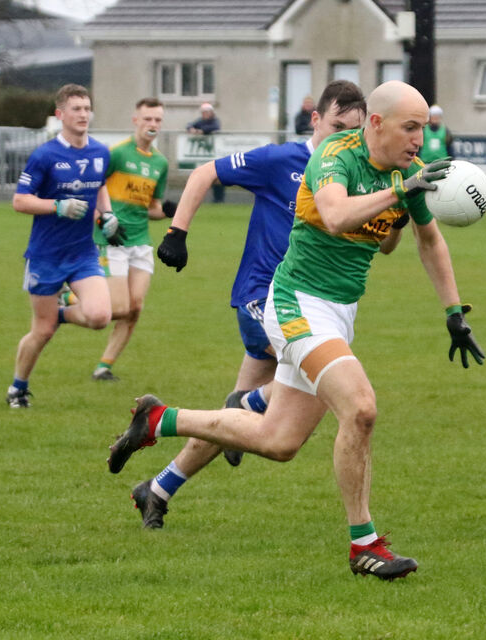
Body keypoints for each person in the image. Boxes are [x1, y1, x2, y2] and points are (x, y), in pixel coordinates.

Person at [108, 81, 485, 581]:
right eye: (410, 127)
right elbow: (333, 214)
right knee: (362, 408)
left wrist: (453, 311)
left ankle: (159, 420)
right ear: (376, 123)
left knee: (279, 440)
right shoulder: (335, 154)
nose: (420, 138)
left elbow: (429, 241)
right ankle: (364, 546)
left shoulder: (409, 173)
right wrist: (400, 190)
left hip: (338, 312)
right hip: (295, 303)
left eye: (423, 127)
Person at [137, 81, 409, 530]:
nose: (344, 137)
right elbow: (205, 173)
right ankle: (251, 399)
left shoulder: (355, 173)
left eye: (354, 131)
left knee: (239, 423)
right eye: (337, 125)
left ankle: (160, 487)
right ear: (315, 119)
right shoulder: (281, 160)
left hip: (312, 300)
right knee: (271, 400)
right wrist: (176, 233)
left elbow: (383, 244)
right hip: (264, 296)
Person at [6, 83, 125, 408]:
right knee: (41, 332)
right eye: (76, 109)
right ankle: (18, 388)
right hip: (45, 256)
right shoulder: (45, 155)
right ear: (60, 115)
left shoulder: (100, 152)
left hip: (83, 253)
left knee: (101, 316)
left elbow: (99, 187)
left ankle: (58, 314)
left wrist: (107, 215)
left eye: (87, 108)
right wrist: (56, 206)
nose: (83, 114)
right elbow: (19, 201)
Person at [90, 97, 176, 382]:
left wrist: (167, 212)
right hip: (112, 238)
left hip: (140, 241)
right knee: (120, 308)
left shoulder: (161, 163)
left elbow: (151, 208)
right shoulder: (116, 154)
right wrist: (103, 219)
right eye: (148, 119)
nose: (153, 124)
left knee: (135, 307)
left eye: (158, 120)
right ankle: (68, 299)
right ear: (135, 120)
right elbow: (93, 192)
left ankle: (104, 366)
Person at [186, 103, 225, 202]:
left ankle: (219, 198)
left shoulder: (215, 121)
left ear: (211, 112)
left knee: (218, 176)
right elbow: (189, 125)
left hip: (216, 153)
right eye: (203, 113)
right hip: (207, 154)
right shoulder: (201, 121)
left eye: (206, 112)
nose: (204, 115)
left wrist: (202, 131)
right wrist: (191, 129)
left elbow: (215, 127)